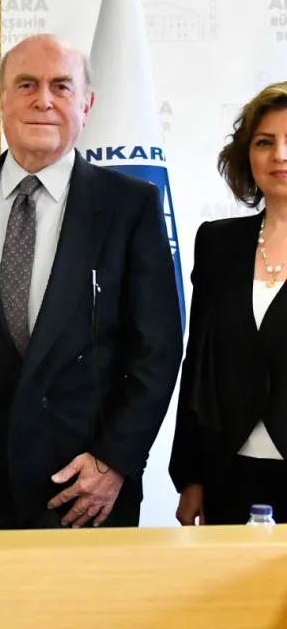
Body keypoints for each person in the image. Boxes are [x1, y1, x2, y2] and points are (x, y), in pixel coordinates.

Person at [0, 33, 183, 531]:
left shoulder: (130, 204)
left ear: (86, 104)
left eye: (61, 86)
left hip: (88, 483)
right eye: (27, 84)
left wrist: (115, 460)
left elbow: (159, 347)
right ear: (1, 98)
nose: (43, 100)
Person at [171, 82, 287, 526]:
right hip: (228, 474)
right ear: (247, 156)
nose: (279, 155)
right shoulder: (218, 243)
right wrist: (191, 476)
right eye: (264, 142)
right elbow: (198, 367)